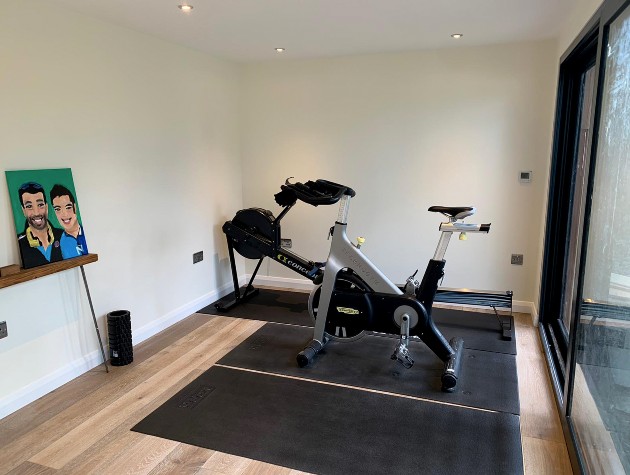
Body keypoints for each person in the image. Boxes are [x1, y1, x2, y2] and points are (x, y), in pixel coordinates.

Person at [17, 182, 63, 268]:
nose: (36, 212)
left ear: (47, 207)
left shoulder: (63, 235)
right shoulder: (19, 243)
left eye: (40, 205)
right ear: (23, 210)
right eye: (29, 206)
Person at [50, 184, 89, 258]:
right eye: (58, 209)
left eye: (68, 207)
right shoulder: (58, 244)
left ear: (74, 207)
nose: (64, 214)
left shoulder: (88, 232)